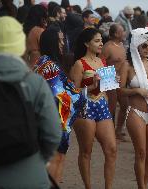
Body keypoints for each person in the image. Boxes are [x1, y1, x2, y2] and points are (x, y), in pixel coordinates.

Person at [0, 16, 61, 189]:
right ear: (21, 44)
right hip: (31, 178)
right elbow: (53, 134)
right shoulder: (34, 83)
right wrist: (35, 160)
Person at [34, 25, 86, 183]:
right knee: (55, 164)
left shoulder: (44, 63)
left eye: (64, 40)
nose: (63, 43)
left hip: (48, 122)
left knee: (54, 164)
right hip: (53, 125)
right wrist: (82, 96)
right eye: (60, 40)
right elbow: (60, 96)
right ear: (52, 42)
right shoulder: (50, 67)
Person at [70, 27, 117, 189]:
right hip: (85, 108)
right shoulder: (79, 64)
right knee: (86, 151)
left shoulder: (102, 62)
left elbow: (107, 89)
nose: (101, 43)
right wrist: (91, 86)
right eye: (97, 41)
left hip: (102, 105)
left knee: (111, 149)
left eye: (101, 40)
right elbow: (73, 93)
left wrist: (113, 80)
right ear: (86, 43)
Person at [119, 28, 148, 189]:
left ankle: (144, 184)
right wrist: (137, 90)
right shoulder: (127, 65)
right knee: (141, 153)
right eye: (144, 46)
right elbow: (120, 90)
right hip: (136, 111)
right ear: (136, 46)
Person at [101, 23, 129, 141]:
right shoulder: (107, 47)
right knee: (111, 107)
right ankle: (110, 132)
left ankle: (118, 130)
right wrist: (109, 78)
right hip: (109, 78)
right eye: (122, 31)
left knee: (125, 105)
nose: (124, 33)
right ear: (116, 34)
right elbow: (101, 63)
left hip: (121, 79)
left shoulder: (121, 45)